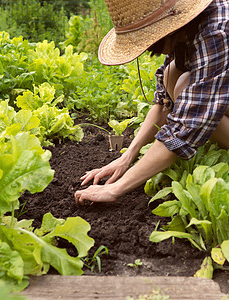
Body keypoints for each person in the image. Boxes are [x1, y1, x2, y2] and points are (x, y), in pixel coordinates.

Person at [75, 0, 228, 205]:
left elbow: (184, 127)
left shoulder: (217, 31)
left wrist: (115, 189)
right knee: (172, 73)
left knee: (184, 85)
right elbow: (163, 103)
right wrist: (127, 158)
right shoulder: (186, 29)